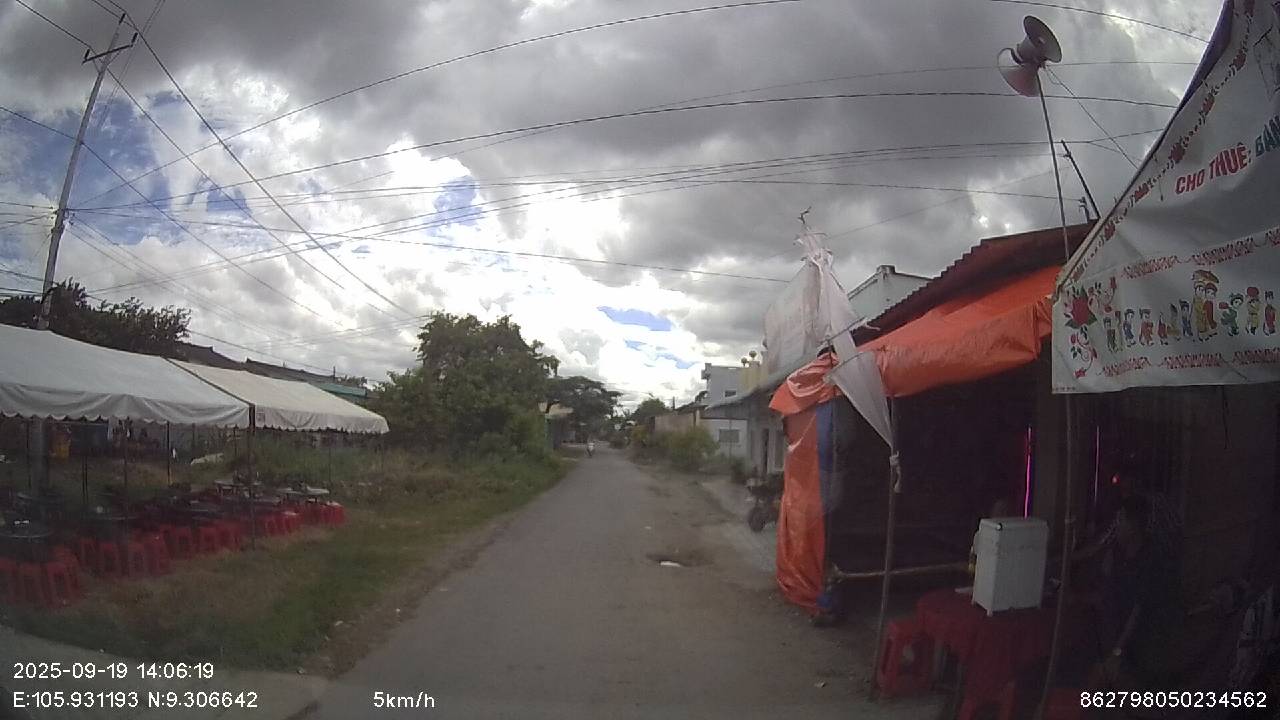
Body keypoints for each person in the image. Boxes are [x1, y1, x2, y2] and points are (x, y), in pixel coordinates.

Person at [1089, 495, 1181, 688]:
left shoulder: (1151, 560)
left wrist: (1117, 653)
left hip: (1144, 648)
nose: (1116, 526)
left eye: (1120, 520)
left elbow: (1138, 612)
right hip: (1116, 641)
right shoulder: (1118, 555)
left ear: (1133, 526)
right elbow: (1104, 594)